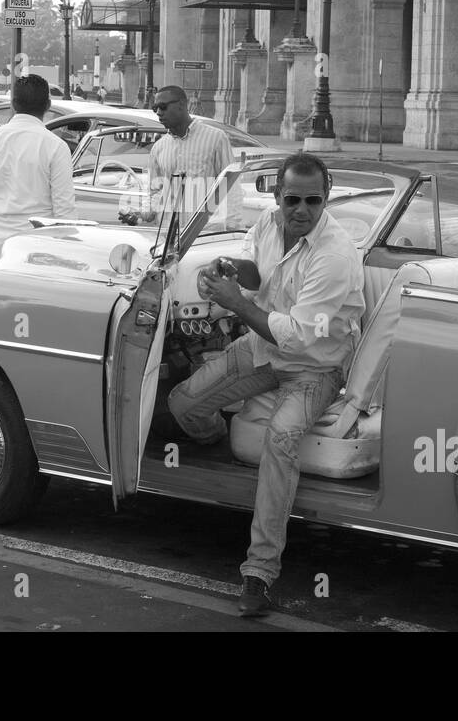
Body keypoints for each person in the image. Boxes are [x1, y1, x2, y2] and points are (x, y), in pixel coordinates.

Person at [155, 154, 364, 616]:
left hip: (315, 368)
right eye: (293, 199)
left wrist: (233, 301)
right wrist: (231, 268)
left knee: (281, 439)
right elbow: (257, 271)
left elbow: (296, 335)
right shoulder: (269, 224)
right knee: (183, 403)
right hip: (263, 350)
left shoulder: (335, 255)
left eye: (314, 200)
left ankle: (259, 572)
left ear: (326, 199)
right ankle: (217, 439)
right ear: (277, 196)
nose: (302, 210)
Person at [0, 74, 77, 264]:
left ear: (13, 104)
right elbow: (64, 208)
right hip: (38, 249)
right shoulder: (55, 146)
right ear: (48, 105)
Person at [140, 85, 233, 224]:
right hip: (168, 234)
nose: (158, 112)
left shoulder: (216, 138)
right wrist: (145, 213)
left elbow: (231, 185)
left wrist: (231, 225)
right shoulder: (159, 148)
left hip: (203, 234)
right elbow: (155, 190)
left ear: (182, 105)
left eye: (163, 106)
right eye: (155, 109)